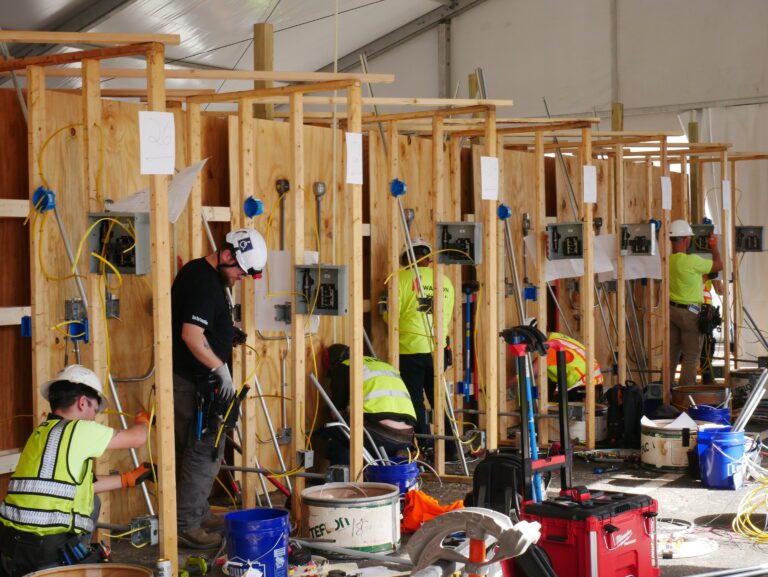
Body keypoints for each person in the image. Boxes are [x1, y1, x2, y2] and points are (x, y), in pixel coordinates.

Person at [0, 365, 153, 577]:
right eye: (95, 411)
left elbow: (75, 487)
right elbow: (137, 438)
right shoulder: (79, 429)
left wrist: (127, 479)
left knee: (93, 501)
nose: (94, 418)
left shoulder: (41, 432)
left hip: (10, 547)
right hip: (46, 551)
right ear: (83, 402)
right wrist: (143, 420)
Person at [171, 228, 267, 549]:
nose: (240, 277)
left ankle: (197, 513)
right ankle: (186, 525)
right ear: (226, 255)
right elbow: (190, 335)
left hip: (204, 381)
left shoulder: (213, 280)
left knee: (209, 451)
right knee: (203, 451)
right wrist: (219, 369)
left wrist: (227, 334)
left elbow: (206, 327)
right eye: (240, 270)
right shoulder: (201, 280)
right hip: (195, 383)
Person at [382, 239, 456, 458]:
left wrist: (382, 310)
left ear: (406, 259)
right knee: (438, 400)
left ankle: (425, 446)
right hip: (437, 349)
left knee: (414, 401)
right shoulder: (445, 282)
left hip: (409, 350)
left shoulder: (400, 279)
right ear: (430, 258)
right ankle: (450, 448)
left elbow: (391, 317)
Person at [324, 344, 416, 464]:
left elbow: (336, 411)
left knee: (336, 430)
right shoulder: (384, 366)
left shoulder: (345, 366)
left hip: (380, 435)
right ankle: (390, 460)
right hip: (407, 435)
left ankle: (345, 477)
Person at [668, 220, 722, 389]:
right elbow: (718, 265)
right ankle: (686, 395)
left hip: (672, 311)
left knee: (672, 356)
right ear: (686, 239)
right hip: (690, 314)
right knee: (690, 356)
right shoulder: (692, 261)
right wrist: (714, 246)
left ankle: (666, 393)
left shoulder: (669, 260)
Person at [699, 273, 723, 384]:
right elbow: (721, 291)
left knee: (707, 346)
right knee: (706, 347)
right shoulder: (708, 268)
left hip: (703, 310)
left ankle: (707, 378)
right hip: (701, 310)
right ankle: (707, 380)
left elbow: (720, 290)